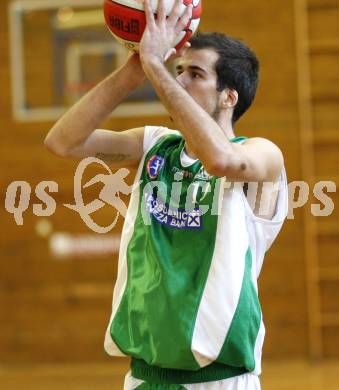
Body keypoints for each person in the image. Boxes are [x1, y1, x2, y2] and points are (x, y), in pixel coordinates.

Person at [44, 0, 288, 388]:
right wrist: (133, 70)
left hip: (220, 380)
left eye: (194, 74)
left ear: (229, 97)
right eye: (178, 71)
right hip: (145, 376)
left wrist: (158, 67)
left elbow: (222, 160)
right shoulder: (154, 145)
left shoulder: (262, 154)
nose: (179, 81)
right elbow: (63, 142)